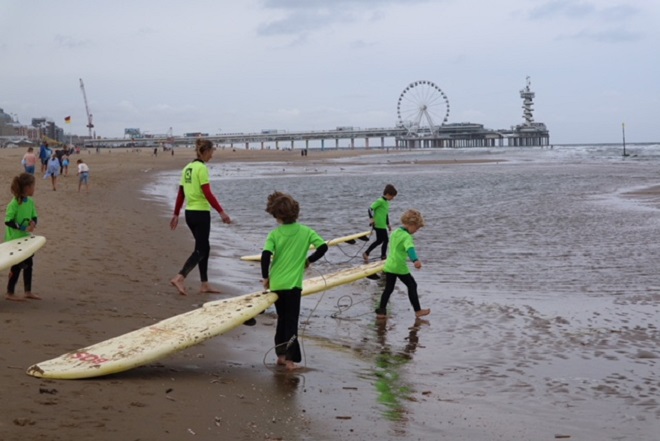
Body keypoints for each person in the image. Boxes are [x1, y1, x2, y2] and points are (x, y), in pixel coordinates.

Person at [261, 191, 328, 371]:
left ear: (276, 215)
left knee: (282, 320)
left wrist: (265, 277)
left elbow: (265, 255)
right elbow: (323, 247)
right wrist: (309, 260)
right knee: (291, 322)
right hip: (293, 286)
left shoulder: (274, 234)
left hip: (276, 285)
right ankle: (291, 361)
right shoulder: (306, 232)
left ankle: (281, 356)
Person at [170, 138, 231, 296]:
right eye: (212, 152)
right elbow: (207, 193)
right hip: (201, 213)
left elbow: (181, 193)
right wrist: (221, 212)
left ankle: (204, 284)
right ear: (206, 151)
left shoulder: (187, 168)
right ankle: (180, 277)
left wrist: (176, 214)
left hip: (190, 214)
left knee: (204, 247)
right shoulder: (201, 168)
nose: (212, 155)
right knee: (201, 249)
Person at [375, 209, 430, 319]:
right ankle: (418, 310)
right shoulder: (407, 237)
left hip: (389, 265)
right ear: (411, 224)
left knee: (388, 289)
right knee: (412, 285)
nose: (416, 231)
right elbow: (410, 249)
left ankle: (381, 311)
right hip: (399, 266)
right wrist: (415, 260)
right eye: (417, 228)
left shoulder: (395, 232)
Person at [4, 173, 41, 301]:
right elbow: (8, 221)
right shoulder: (14, 203)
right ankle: (10, 292)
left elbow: (34, 216)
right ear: (27, 187)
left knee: (29, 264)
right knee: (17, 265)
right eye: (33, 186)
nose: (34, 189)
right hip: (14, 240)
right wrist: (23, 228)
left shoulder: (30, 202)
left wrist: (33, 223)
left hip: (26, 239)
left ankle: (28, 291)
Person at [363, 184, 397, 262]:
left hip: (383, 225)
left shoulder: (386, 203)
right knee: (385, 240)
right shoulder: (380, 201)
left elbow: (386, 214)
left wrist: (388, 224)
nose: (393, 198)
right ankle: (383, 257)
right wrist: (371, 219)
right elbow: (369, 209)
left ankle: (366, 253)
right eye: (392, 196)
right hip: (378, 224)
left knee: (379, 241)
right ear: (388, 194)